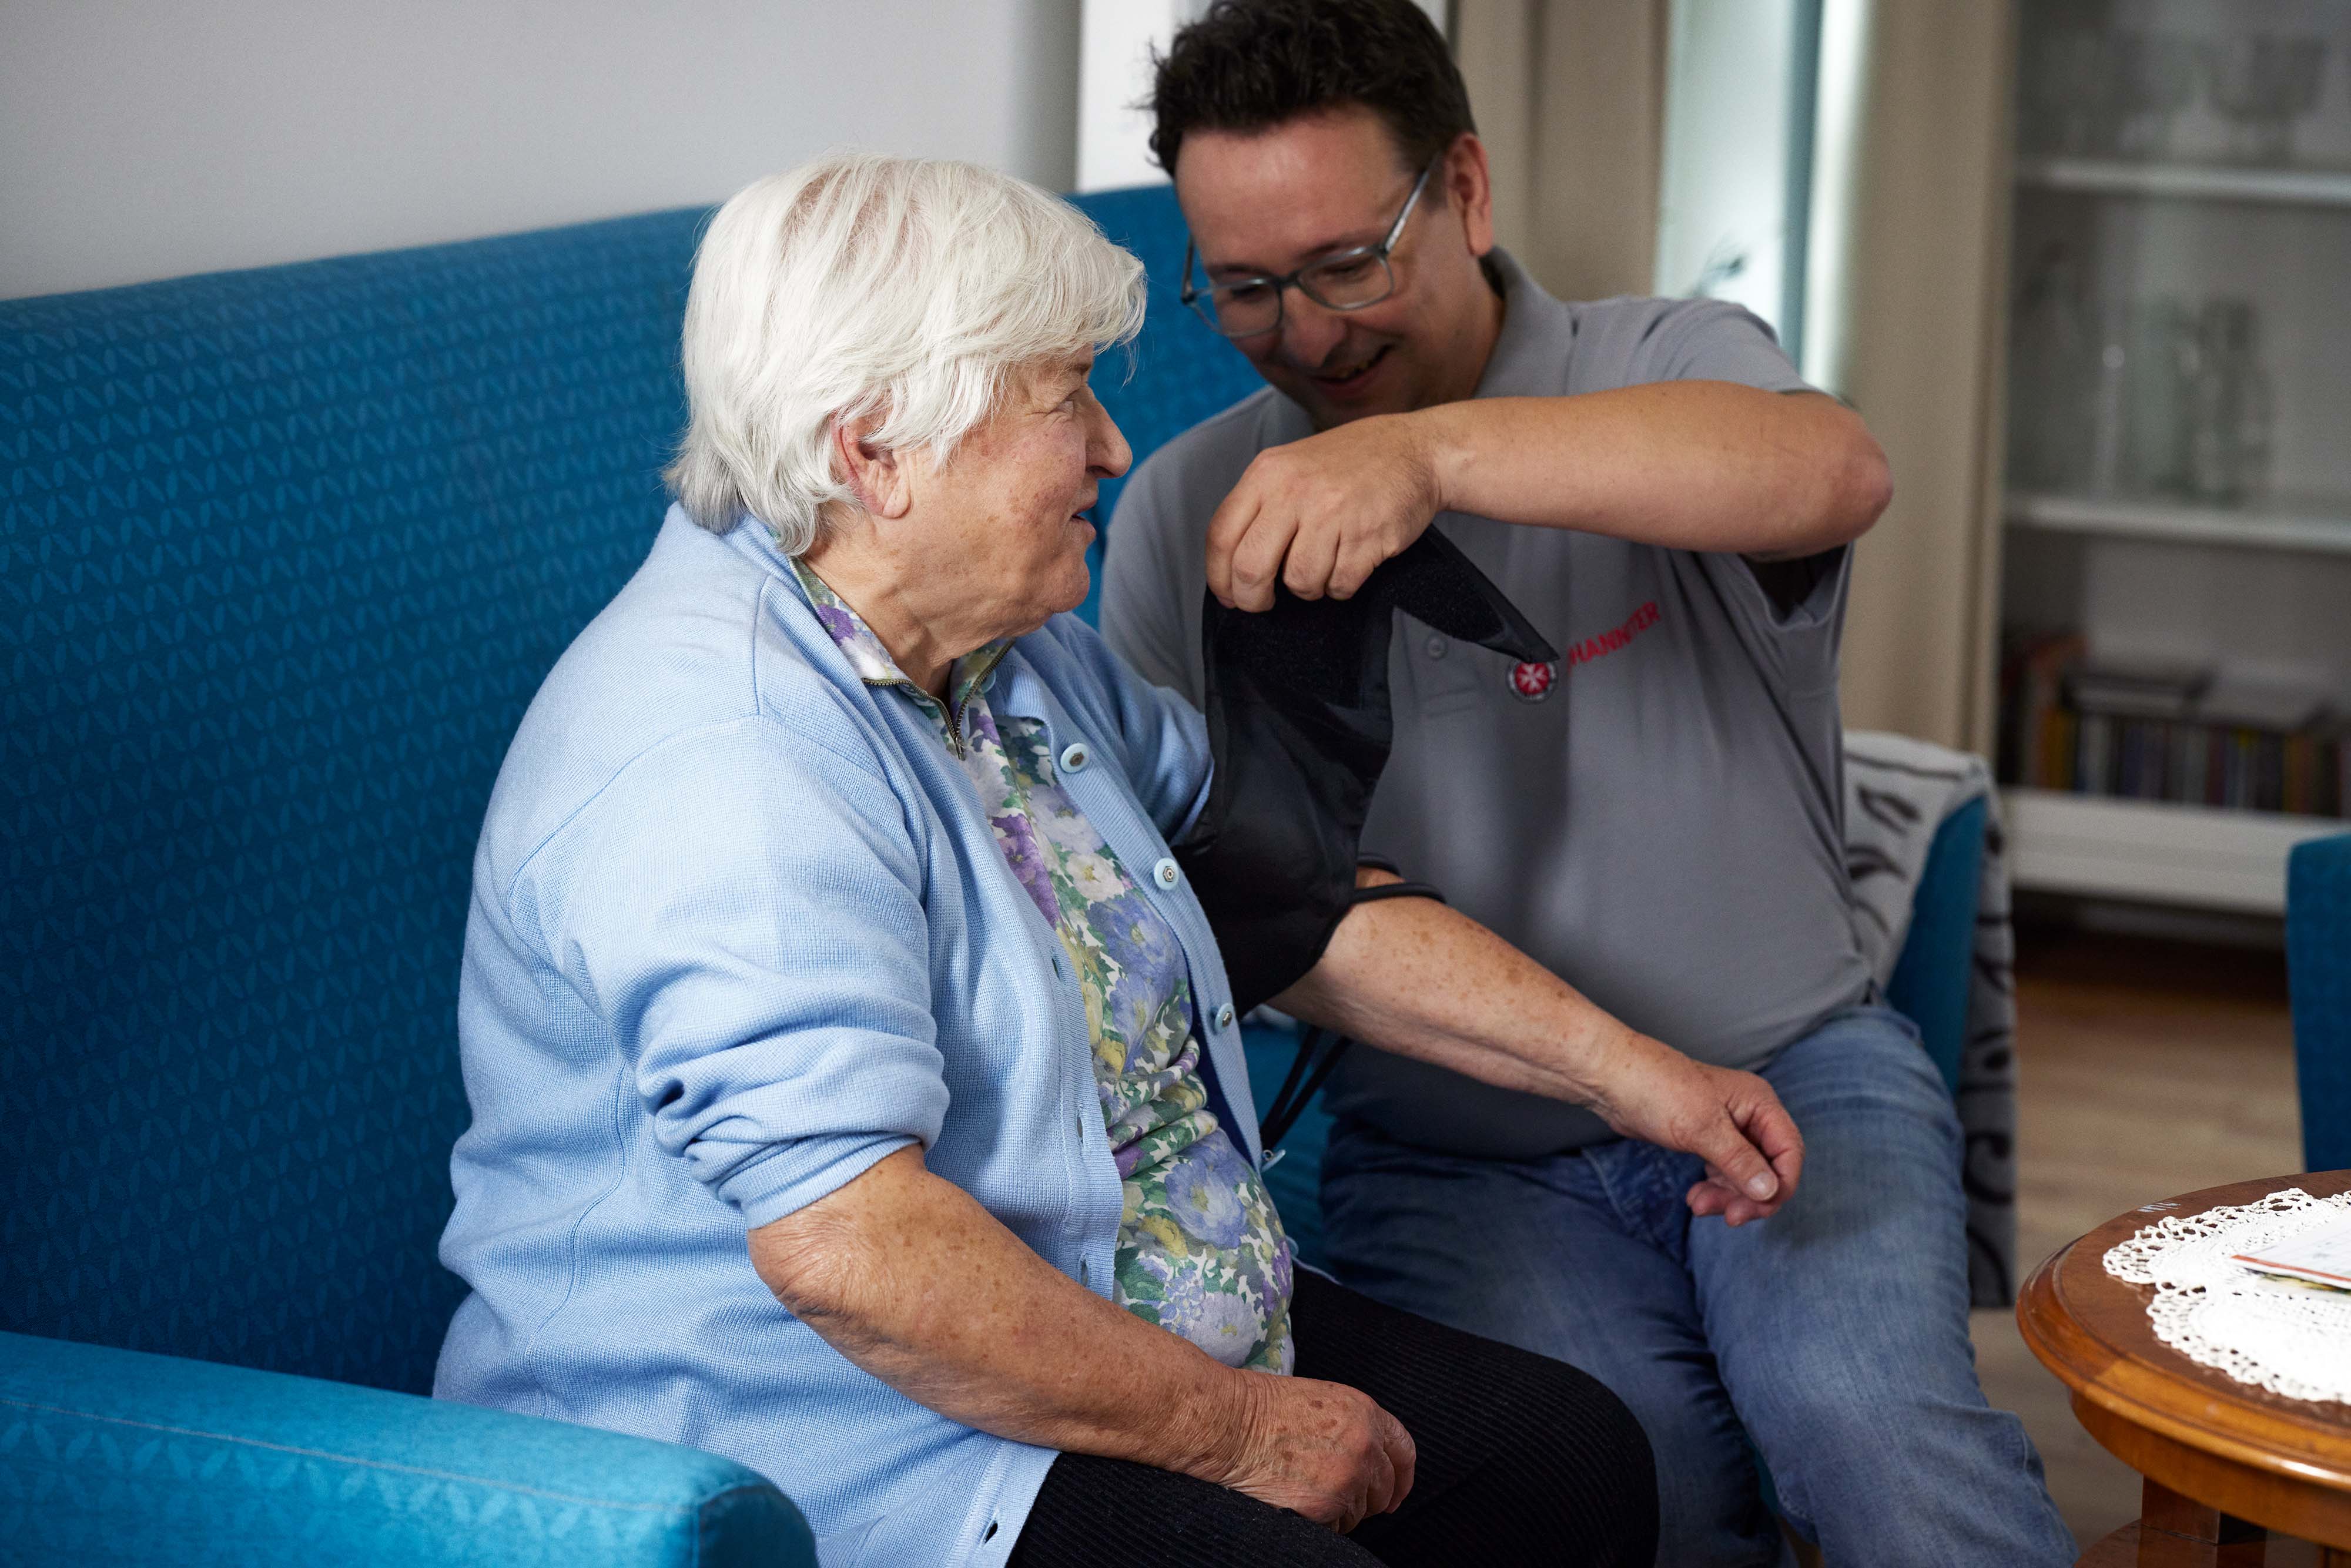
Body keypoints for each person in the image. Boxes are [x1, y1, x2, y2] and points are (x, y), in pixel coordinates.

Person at [434, 150, 1818, 1568]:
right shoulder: (722, 748)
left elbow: (1287, 897)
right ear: (874, 450)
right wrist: (1242, 1431)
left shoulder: (1004, 655)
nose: (1111, 446)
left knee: (1562, 1461)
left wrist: (1631, 1071)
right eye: (1065, 399)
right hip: (831, 1432)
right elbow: (850, 1247)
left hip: (1103, 1292)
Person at [1099, 4, 2078, 1564]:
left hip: (1796, 1069)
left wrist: (1430, 460)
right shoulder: (1185, 512)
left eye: (1351, 264)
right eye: (1249, 290)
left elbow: (1836, 472)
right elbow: (1210, 894)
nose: (1313, 333)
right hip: (1456, 1153)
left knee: (1870, 1435)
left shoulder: (1665, 360)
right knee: (1636, 1492)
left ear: (1468, 193)